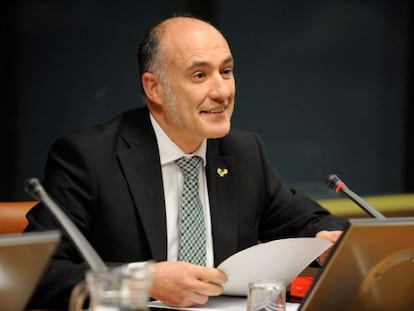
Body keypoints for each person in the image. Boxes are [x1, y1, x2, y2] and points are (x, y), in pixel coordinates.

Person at [24, 15, 348, 310]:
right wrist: (144, 280)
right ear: (154, 88)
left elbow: (310, 222)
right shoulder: (89, 157)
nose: (222, 91)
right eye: (199, 75)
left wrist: (324, 242)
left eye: (226, 71)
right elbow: (38, 272)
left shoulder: (244, 152)